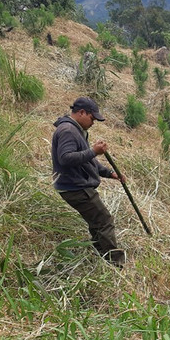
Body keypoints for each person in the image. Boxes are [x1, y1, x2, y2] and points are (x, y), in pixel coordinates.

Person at [51, 96, 126, 266]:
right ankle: (115, 262)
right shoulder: (68, 131)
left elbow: (85, 160)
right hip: (75, 187)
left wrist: (109, 173)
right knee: (104, 220)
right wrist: (93, 151)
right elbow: (66, 158)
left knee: (97, 221)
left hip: (75, 185)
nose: (93, 122)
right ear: (82, 113)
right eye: (92, 118)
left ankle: (100, 252)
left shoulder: (77, 130)